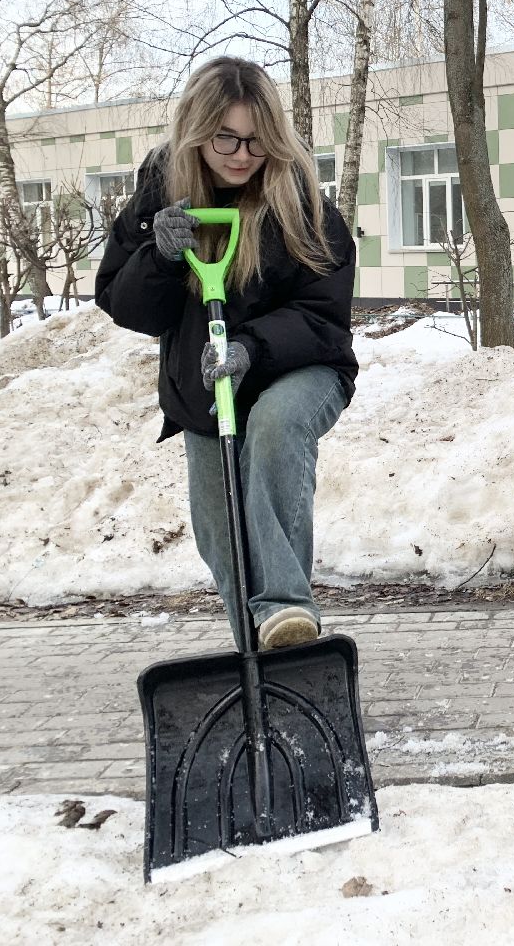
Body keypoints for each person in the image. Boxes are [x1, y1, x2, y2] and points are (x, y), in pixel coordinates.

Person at [95, 56, 357, 652]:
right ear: (195, 131)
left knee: (274, 425)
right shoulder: (163, 184)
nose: (242, 155)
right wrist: (158, 257)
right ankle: (265, 660)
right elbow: (123, 302)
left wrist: (250, 347)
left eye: (256, 142)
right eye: (226, 139)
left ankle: (289, 609)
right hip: (203, 387)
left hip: (301, 370)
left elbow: (325, 314)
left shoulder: (298, 198)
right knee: (221, 531)